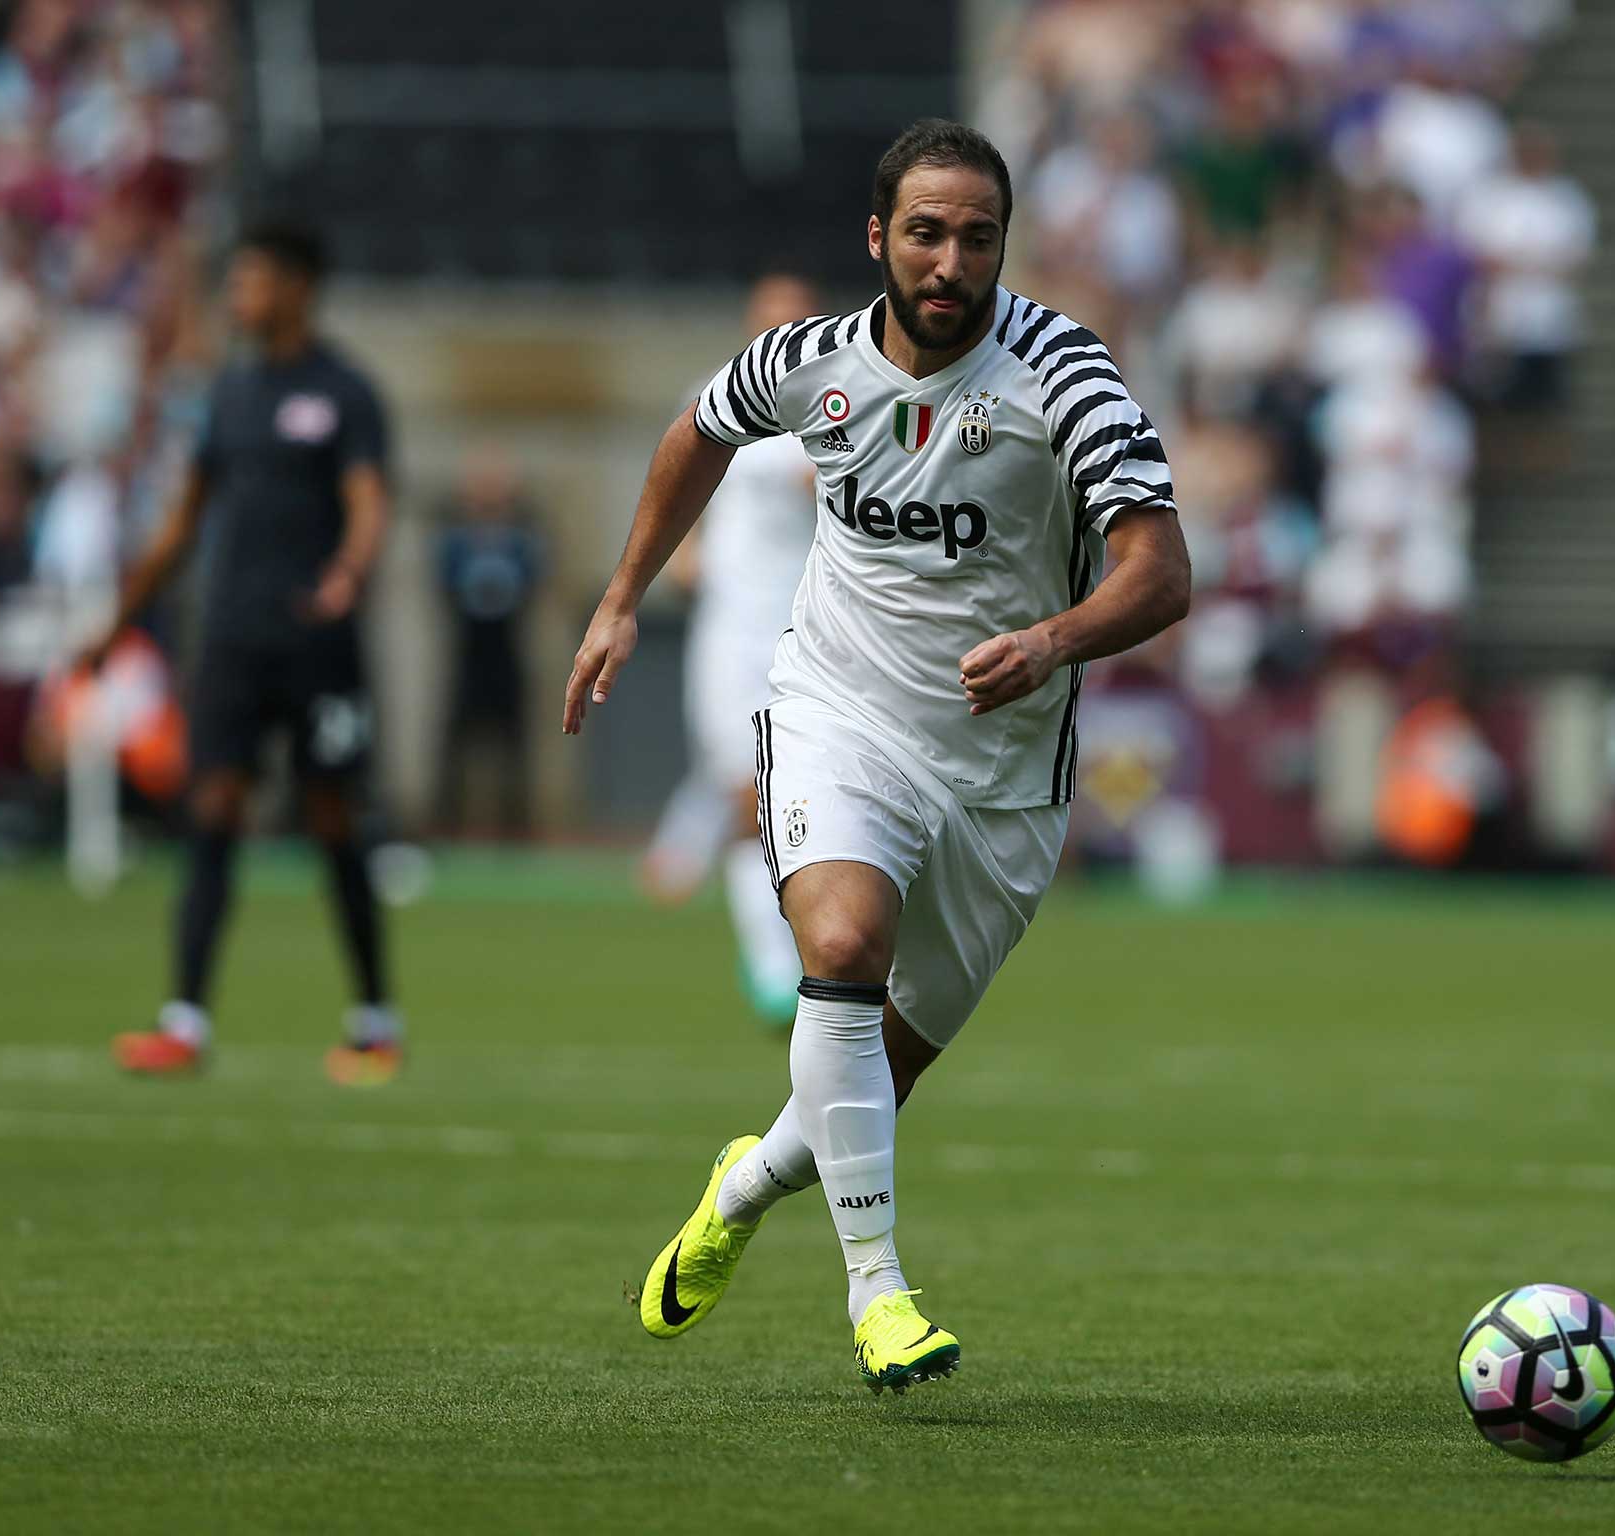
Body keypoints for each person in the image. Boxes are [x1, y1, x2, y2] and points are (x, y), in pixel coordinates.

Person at [561, 120, 1190, 1393]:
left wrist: (1052, 642)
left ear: (1001, 245)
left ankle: (737, 1192)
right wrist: (624, 593)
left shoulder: (1063, 375)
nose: (948, 260)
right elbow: (697, 429)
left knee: (868, 1082)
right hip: (838, 712)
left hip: (1004, 780)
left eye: (975, 236)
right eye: (923, 232)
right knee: (838, 950)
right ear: (877, 239)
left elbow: (1161, 572)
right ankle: (878, 1292)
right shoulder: (813, 360)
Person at [81, 220, 401, 1085]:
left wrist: (347, 574)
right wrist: (120, 620)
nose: (238, 294)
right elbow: (184, 518)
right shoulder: (227, 393)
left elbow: (368, 501)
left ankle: (374, 1019)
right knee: (213, 811)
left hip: (317, 646)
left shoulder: (345, 393)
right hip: (229, 641)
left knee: (331, 818)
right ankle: (183, 1021)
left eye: (253, 279)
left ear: (298, 285)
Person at [640, 273, 823, 1027]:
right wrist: (687, 551)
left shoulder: (828, 411)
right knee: (744, 793)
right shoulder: (715, 395)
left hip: (809, 631)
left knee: (793, 798)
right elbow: (689, 490)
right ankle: (775, 966)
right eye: (767, 320)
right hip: (728, 632)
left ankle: (802, 956)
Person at [434, 443, 543, 838]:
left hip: (507, 649)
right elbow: (443, 585)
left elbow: (535, 582)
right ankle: (446, 825)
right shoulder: (455, 537)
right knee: (456, 740)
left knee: (514, 743)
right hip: (467, 650)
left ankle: (516, 828)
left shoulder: (521, 537)